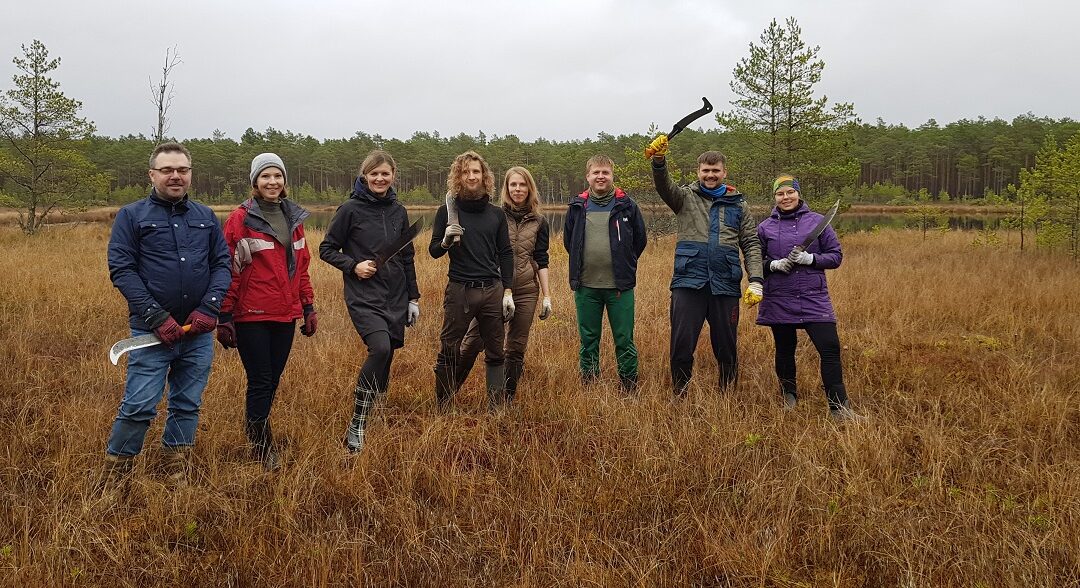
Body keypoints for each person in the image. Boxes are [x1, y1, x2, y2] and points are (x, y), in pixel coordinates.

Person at [104, 142, 231, 483]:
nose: (175, 176)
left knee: (187, 403)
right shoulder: (132, 216)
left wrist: (210, 307)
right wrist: (157, 317)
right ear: (152, 175)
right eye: (167, 170)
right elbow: (122, 269)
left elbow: (222, 264)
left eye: (182, 170)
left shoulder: (205, 216)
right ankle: (117, 476)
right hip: (150, 334)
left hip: (197, 333)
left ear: (190, 174)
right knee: (139, 405)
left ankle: (175, 467)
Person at [217, 153, 316, 470]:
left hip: (285, 314)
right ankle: (262, 446)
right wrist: (225, 315)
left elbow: (301, 268)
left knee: (272, 379)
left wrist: (308, 305)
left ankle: (255, 427)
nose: (272, 182)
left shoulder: (293, 219)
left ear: (284, 181)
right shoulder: (240, 219)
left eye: (277, 176)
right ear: (255, 182)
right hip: (252, 314)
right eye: (265, 176)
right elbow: (229, 269)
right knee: (260, 380)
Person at [320, 150, 420, 453]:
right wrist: (353, 266)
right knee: (379, 348)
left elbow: (406, 257)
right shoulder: (350, 209)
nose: (379, 179)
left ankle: (375, 411)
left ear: (393, 176)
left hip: (396, 295)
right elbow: (326, 249)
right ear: (365, 176)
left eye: (385, 173)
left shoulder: (398, 211)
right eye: (374, 174)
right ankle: (357, 423)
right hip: (364, 295)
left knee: (388, 354)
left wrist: (413, 297)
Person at [648, 138, 764, 397]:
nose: (710, 175)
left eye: (715, 171)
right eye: (705, 171)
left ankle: (727, 394)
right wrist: (658, 161)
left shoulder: (739, 204)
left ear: (724, 172)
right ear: (698, 172)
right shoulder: (684, 198)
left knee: (726, 345)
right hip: (689, 282)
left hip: (726, 284)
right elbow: (664, 186)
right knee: (681, 344)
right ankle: (680, 393)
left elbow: (751, 243)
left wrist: (756, 279)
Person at [756, 174, 856, 420]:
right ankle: (788, 396)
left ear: (798, 194)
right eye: (780, 193)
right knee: (785, 349)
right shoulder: (765, 227)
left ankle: (838, 408)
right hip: (779, 297)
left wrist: (811, 259)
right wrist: (773, 265)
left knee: (830, 348)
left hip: (813, 297)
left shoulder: (818, 222)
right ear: (774, 197)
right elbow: (754, 262)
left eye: (790, 192)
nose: (786, 197)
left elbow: (836, 256)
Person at [456, 166, 552, 403]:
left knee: (516, 348)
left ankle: (503, 401)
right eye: (513, 185)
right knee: (473, 342)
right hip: (494, 289)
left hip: (527, 291)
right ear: (506, 188)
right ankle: (449, 392)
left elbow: (542, 259)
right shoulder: (494, 216)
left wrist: (547, 296)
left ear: (529, 188)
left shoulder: (540, 222)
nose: (518, 189)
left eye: (522, 185)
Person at [429, 151, 514, 411]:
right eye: (465, 172)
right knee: (449, 349)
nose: (471, 176)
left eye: (476, 171)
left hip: (492, 290)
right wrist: (445, 240)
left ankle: (496, 409)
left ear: (484, 176)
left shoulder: (496, 214)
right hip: (460, 290)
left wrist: (508, 291)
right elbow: (433, 251)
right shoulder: (447, 210)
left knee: (496, 351)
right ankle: (443, 407)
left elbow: (505, 252)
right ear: (458, 176)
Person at [563, 154, 647, 393]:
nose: (601, 176)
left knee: (624, 339)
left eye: (605, 172)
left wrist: (625, 263)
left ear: (612, 176)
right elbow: (570, 242)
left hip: (619, 287)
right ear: (588, 176)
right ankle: (589, 384)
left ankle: (629, 386)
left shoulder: (627, 205)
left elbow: (639, 241)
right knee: (588, 340)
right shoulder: (578, 207)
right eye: (596, 172)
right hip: (586, 286)